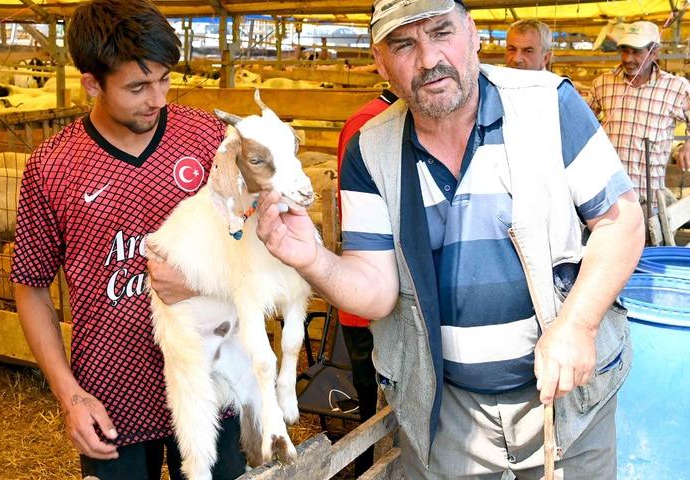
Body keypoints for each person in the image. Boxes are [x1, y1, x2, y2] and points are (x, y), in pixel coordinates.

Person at [255, 0, 645, 477]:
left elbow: (621, 222)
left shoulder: (548, 104)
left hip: (567, 397)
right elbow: (376, 290)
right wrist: (313, 259)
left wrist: (578, 325)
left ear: (474, 34)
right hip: (447, 413)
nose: (428, 59)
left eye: (442, 32)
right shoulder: (370, 149)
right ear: (380, 61)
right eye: (404, 44)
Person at [10, 1, 246, 479]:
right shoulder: (52, 166)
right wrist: (70, 396)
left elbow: (253, 236)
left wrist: (201, 283)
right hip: (112, 394)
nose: (157, 99)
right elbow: (30, 286)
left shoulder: (206, 139)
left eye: (164, 80)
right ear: (92, 83)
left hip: (211, 380)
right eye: (137, 87)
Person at [334, 87, 397, 477]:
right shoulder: (367, 123)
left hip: (396, 295)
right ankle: (366, 466)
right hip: (371, 295)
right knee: (372, 393)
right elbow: (357, 216)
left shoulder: (411, 118)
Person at [589, 20, 690, 210]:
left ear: (654, 53)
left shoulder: (675, 87)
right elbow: (582, 124)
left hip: (648, 198)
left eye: (636, 52)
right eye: (625, 50)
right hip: (608, 196)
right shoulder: (602, 83)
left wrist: (688, 145)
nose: (628, 58)